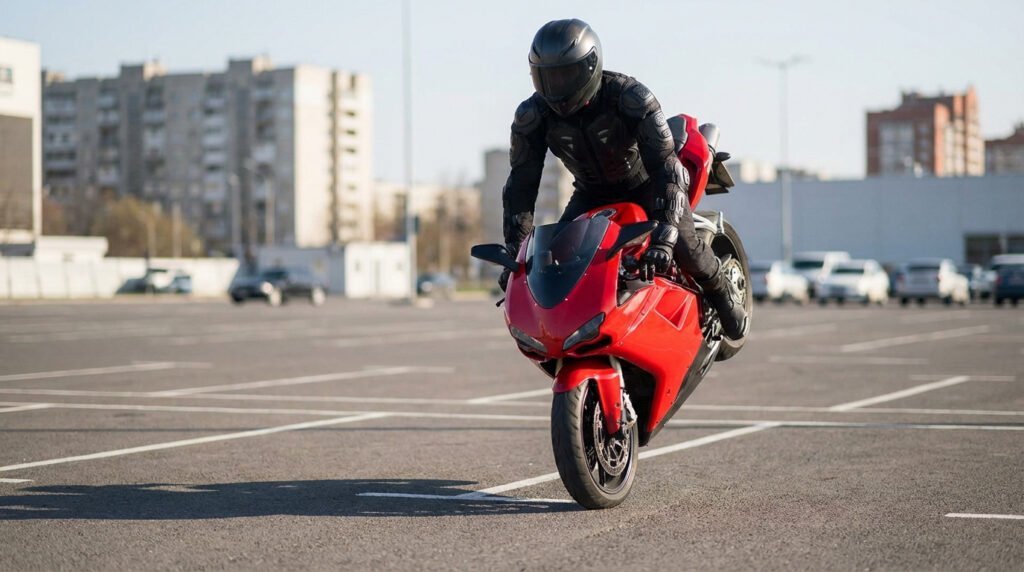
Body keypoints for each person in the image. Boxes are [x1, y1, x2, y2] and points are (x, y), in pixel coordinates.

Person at [499, 18, 747, 339]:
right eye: (547, 77)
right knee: (558, 262)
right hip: (589, 194)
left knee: (685, 245)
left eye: (566, 74)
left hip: (645, 185)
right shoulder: (531, 117)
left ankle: (723, 293)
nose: (557, 86)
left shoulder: (629, 97)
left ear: (590, 66)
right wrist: (516, 254)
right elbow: (521, 185)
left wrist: (665, 238)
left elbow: (667, 170)